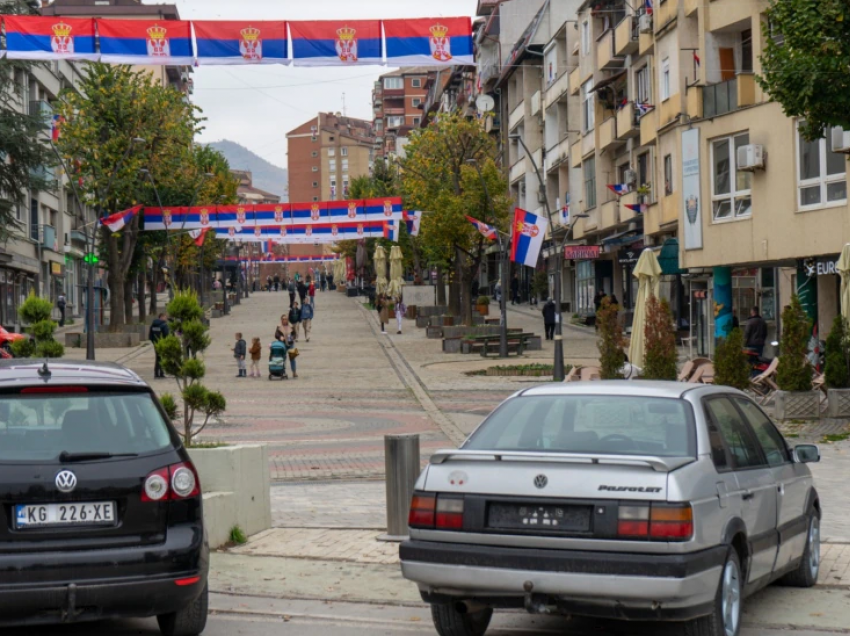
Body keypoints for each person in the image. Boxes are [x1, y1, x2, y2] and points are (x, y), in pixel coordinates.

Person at [274, 314, 297, 379]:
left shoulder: (291, 326)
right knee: (283, 358)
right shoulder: (279, 326)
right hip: (282, 344)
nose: (285, 320)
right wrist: (280, 337)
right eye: (283, 319)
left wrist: (292, 337)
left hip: (291, 343)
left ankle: (294, 371)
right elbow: (276, 334)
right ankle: (283, 372)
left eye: (286, 319)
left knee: (293, 358)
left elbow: (295, 334)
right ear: (281, 320)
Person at [149, 313, 169, 379]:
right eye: (165, 317)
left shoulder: (153, 325)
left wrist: (154, 342)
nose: (166, 319)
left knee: (157, 358)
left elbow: (150, 335)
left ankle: (156, 373)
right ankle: (161, 373)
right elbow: (167, 335)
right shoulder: (164, 325)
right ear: (161, 317)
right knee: (162, 358)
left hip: (156, 344)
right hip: (163, 343)